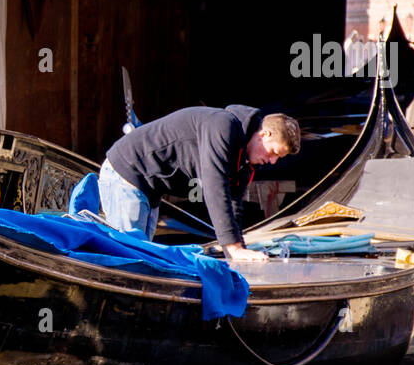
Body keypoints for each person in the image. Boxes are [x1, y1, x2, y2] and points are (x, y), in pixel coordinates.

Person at [100, 105, 300, 262]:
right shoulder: (223, 126)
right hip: (128, 172)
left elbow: (233, 203)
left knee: (143, 257)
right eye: (274, 152)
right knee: (130, 258)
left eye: (278, 158)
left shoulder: (244, 161)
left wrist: (239, 249)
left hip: (150, 188)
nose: (273, 161)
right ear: (264, 135)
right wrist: (233, 248)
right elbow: (215, 186)